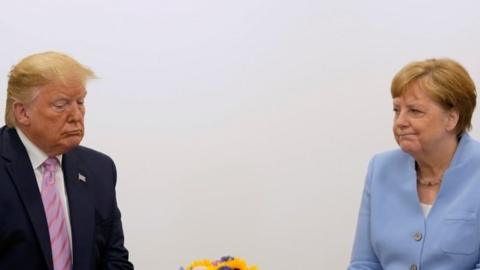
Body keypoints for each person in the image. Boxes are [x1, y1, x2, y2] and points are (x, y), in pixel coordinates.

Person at [0, 51, 134, 269]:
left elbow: (115, 259)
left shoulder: (100, 169)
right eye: (61, 105)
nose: (76, 115)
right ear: (23, 112)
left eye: (80, 102)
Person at [348, 58, 479, 270]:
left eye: (415, 111)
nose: (400, 121)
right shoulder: (380, 169)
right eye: (396, 110)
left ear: (452, 118)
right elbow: (364, 263)